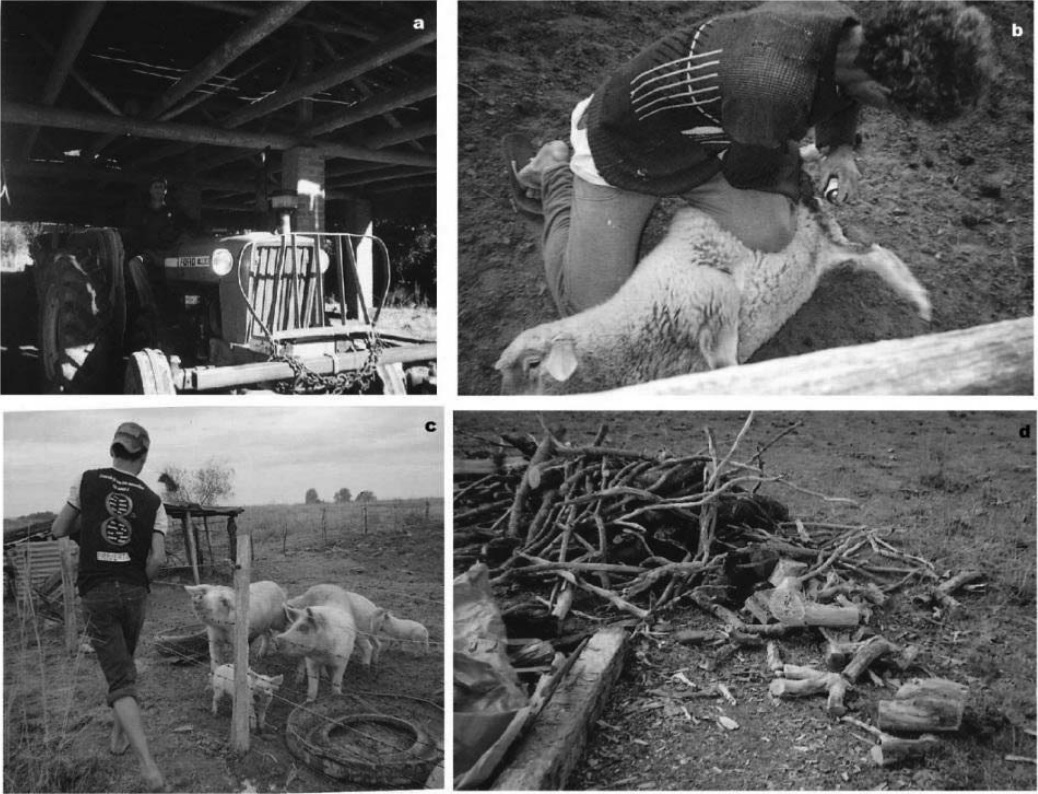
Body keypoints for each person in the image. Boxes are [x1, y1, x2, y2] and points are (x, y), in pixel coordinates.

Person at [508, 0, 996, 317]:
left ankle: (666, 202)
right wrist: (805, 186)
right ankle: (554, 169)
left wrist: (839, 147)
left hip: (710, 139)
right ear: (883, 89)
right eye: (895, 106)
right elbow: (750, 169)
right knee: (591, 307)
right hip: (628, 147)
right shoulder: (772, 85)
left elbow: (844, 94)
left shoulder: (847, 33)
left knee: (773, 232)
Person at [51, 422, 169, 793]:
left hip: (97, 590)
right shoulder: (154, 500)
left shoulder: (85, 480)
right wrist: (138, 580)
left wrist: (88, 533)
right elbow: (159, 558)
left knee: (120, 677)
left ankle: (149, 768)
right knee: (125, 666)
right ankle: (118, 739)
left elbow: (58, 529)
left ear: (113, 450)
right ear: (144, 456)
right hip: (134, 592)